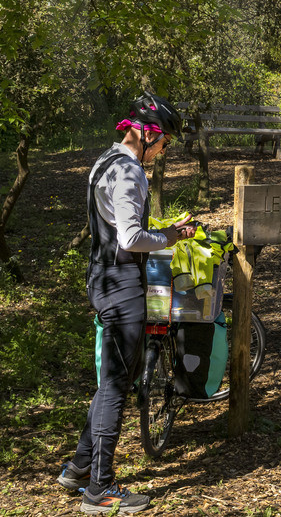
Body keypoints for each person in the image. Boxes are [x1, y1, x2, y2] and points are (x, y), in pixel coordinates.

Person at [57, 92, 195, 515]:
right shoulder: (130, 172)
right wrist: (173, 235)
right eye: (164, 143)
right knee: (117, 384)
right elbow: (132, 238)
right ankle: (100, 489)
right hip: (120, 284)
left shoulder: (104, 161)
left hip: (102, 275)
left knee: (120, 375)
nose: (164, 151)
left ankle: (80, 466)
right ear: (146, 135)